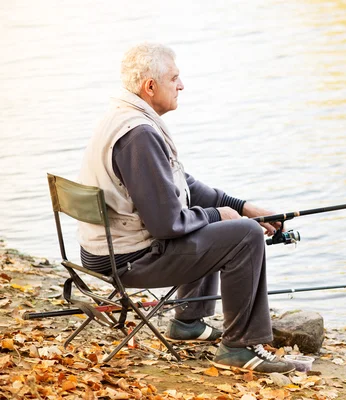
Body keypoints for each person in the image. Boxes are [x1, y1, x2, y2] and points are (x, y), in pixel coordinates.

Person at [77, 42, 295, 374]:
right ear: (150, 86)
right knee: (245, 237)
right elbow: (168, 225)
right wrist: (220, 216)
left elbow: (183, 186)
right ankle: (239, 347)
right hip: (127, 260)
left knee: (228, 224)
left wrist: (242, 206)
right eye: (174, 78)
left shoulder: (127, 116)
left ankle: (187, 322)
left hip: (110, 250)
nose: (182, 85)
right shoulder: (138, 135)